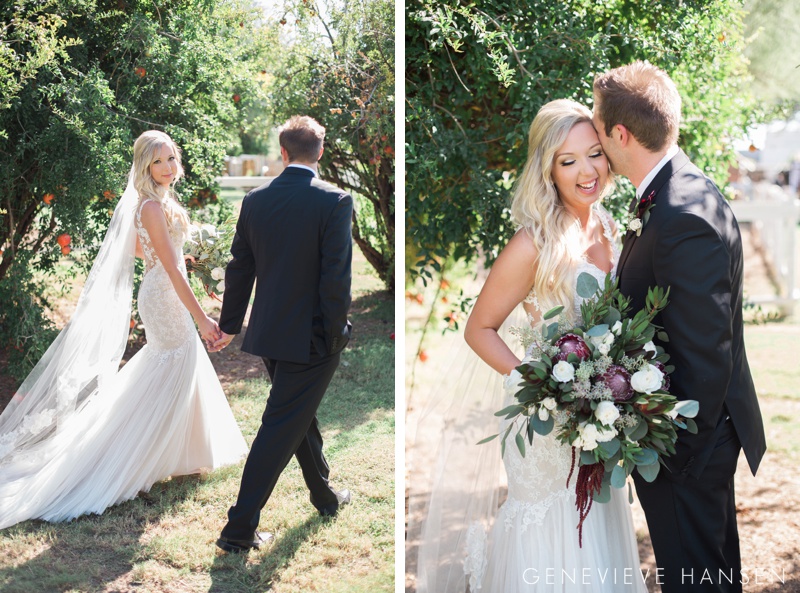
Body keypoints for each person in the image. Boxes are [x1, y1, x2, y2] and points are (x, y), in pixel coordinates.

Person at [413, 99, 646, 593]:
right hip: (546, 426)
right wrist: (540, 387)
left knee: (595, 529)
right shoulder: (534, 244)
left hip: (600, 421)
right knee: (552, 529)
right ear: (549, 169)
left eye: (594, 154)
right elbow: (479, 328)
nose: (587, 170)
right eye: (568, 161)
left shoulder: (611, 228)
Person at [0, 130, 247, 529]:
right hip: (165, 295)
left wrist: (173, 253)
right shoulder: (150, 205)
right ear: (145, 166)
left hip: (166, 288)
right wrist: (202, 318)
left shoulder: (159, 201)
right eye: (158, 161)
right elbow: (165, 266)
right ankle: (131, 456)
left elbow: (144, 249)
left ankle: (182, 455)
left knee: (177, 367)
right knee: (170, 367)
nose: (168, 167)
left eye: (171, 158)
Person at [592, 61, 767, 593]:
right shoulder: (674, 193)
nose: (599, 142)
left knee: (696, 580)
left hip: (690, 443)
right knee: (707, 574)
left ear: (621, 134)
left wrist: (674, 457)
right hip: (696, 437)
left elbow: (704, 353)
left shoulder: (680, 213)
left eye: (599, 130)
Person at [209, 115, 353, 553]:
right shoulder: (335, 200)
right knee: (280, 426)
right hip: (312, 341)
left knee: (296, 417)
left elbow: (240, 268)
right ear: (321, 152)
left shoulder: (255, 200)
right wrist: (335, 334)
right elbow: (335, 280)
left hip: (271, 335)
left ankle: (324, 496)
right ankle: (237, 531)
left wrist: (230, 325)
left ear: (283, 153)